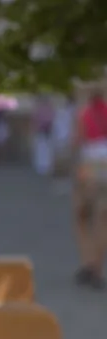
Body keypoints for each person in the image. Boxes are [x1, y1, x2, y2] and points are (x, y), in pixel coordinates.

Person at [73, 89, 107, 289]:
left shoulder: (84, 113)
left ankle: (88, 262)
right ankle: (98, 266)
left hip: (90, 163)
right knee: (103, 219)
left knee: (82, 215)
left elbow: (77, 139)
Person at [32, 95, 55, 175]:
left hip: (43, 131)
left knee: (42, 149)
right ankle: (44, 166)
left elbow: (35, 120)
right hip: (44, 131)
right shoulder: (48, 109)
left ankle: (42, 166)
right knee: (44, 149)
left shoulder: (40, 109)